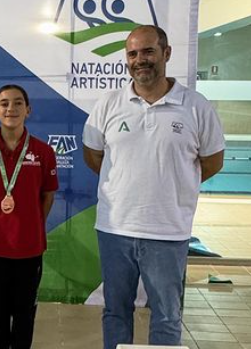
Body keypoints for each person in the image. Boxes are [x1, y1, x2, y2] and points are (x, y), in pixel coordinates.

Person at [83, 25, 225, 349]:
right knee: (116, 312)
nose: (140, 60)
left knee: (166, 315)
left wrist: (172, 183)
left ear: (166, 53)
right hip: (115, 229)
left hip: (168, 232)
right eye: (132, 54)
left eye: (148, 51)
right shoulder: (109, 104)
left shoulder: (196, 106)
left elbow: (212, 161)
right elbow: (94, 156)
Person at [0, 84, 58, 349]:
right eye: (4, 103)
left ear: (28, 110)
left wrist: (28, 225)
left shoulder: (44, 152)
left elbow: (47, 197)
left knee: (24, 314)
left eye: (18, 103)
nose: (11, 108)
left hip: (29, 247)